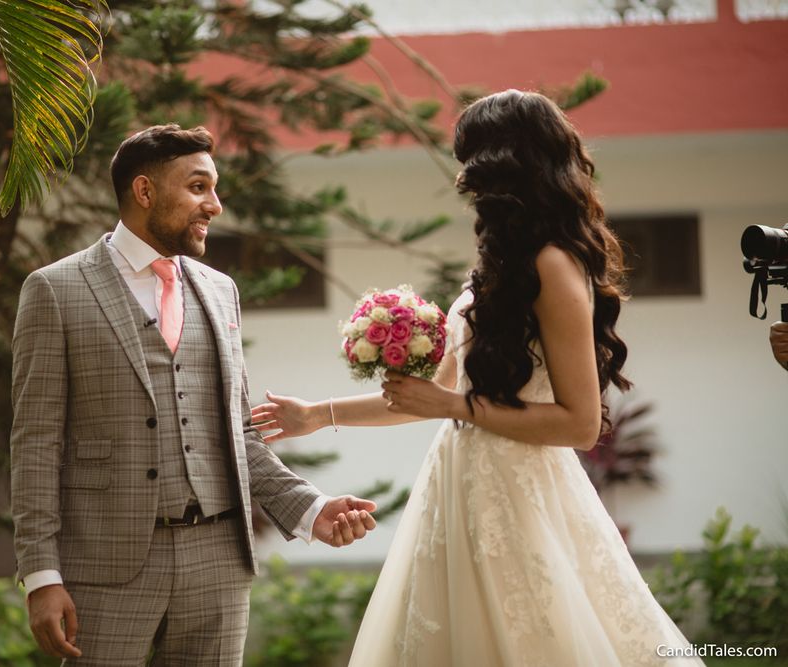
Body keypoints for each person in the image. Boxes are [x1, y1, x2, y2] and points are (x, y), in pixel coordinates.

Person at [251, 91, 703, 666]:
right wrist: (318, 415)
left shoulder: (555, 263)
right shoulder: (497, 264)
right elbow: (430, 398)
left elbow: (581, 423)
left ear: (505, 161)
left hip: (521, 496)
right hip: (459, 489)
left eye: (470, 157)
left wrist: (457, 407)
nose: (464, 175)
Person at [10, 124, 377, 666]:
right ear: (144, 191)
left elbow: (238, 435)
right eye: (199, 187)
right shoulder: (56, 290)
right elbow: (35, 442)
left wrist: (312, 510)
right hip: (107, 568)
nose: (216, 206)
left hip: (218, 564)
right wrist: (42, 575)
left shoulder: (219, 290)